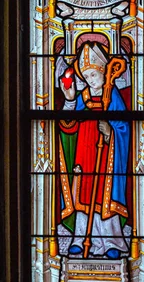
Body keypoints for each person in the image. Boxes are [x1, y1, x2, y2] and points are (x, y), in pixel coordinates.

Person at [58, 42, 130, 259]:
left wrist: (110, 132)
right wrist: (70, 99)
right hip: (84, 155)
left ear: (103, 72)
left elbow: (125, 128)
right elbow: (67, 125)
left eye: (94, 75)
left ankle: (111, 243)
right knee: (83, 196)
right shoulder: (83, 97)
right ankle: (81, 238)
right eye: (87, 76)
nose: (91, 80)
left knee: (105, 197)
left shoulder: (113, 96)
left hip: (107, 157)